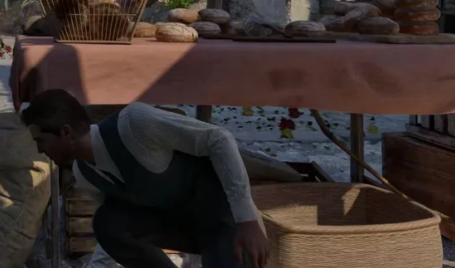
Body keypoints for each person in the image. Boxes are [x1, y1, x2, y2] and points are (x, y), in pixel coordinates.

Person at [22, 89, 270, 268]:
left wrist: (247, 220)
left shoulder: (134, 124)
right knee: (107, 222)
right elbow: (116, 235)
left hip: (224, 221)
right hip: (184, 227)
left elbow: (219, 139)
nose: (40, 150)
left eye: (41, 141)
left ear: (66, 132)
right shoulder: (84, 173)